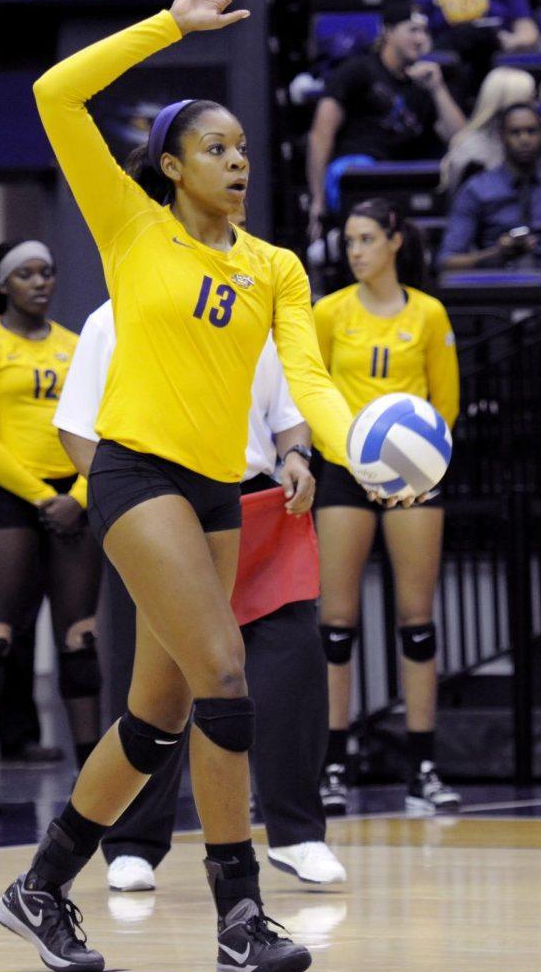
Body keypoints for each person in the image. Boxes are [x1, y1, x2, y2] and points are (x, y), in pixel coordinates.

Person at [0, 0, 370, 972]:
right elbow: (53, 93)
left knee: (155, 718)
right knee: (224, 677)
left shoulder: (275, 268)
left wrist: (362, 450)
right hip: (132, 476)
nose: (238, 162)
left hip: (217, 492)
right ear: (172, 165)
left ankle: (37, 888)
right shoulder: (131, 231)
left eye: (243, 148)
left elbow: (308, 382)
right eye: (216, 148)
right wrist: (170, 24)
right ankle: (240, 915)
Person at [54, 301, 346, 888]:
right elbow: (77, 429)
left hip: (257, 504)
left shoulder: (256, 304)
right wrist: (127, 507)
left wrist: (295, 456)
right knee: (164, 688)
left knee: (291, 662)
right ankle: (133, 843)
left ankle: (297, 835)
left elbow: (289, 411)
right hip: (160, 514)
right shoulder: (112, 317)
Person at [313, 198, 461, 816]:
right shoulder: (327, 313)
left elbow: (444, 406)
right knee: (336, 625)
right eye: (349, 240)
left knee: (416, 621)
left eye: (367, 238)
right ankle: (333, 767)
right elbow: (311, 392)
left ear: (395, 241)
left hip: (414, 479)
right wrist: (353, 463)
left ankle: (422, 767)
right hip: (345, 473)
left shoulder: (428, 314)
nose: (355, 251)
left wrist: (411, 470)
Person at [0, 241, 102, 815]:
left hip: (75, 494)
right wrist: (45, 498)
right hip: (11, 500)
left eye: (47, 271)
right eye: (26, 274)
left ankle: (92, 771)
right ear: (2, 285)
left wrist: (81, 495)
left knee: (79, 637)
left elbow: (101, 425)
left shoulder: (77, 345)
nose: (40, 282)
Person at [306, 2, 465, 241]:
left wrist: (437, 89)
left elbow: (461, 140)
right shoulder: (358, 70)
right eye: (413, 30)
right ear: (388, 31)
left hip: (401, 179)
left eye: (425, 32)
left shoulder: (425, 84)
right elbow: (321, 134)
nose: (421, 39)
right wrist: (317, 202)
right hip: (358, 171)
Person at [438, 102, 541, 298]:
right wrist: (495, 254)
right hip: (495, 274)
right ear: (501, 137)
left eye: (531, 131)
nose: (524, 139)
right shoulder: (476, 188)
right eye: (515, 132)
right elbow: (447, 261)